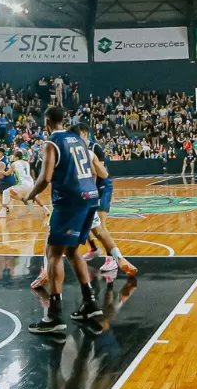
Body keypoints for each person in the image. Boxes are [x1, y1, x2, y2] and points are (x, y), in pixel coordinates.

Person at [25, 106, 102, 334]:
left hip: (70, 201)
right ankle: (90, 302)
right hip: (90, 197)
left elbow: (45, 177)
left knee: (53, 252)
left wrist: (30, 196)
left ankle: (54, 315)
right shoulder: (78, 139)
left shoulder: (51, 142)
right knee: (72, 251)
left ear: (46, 121)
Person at [76, 122, 137, 276]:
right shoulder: (79, 149)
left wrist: (92, 191)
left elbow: (100, 172)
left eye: (78, 135)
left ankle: (111, 259)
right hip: (89, 187)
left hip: (102, 186)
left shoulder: (94, 148)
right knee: (87, 223)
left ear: (84, 134)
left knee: (100, 225)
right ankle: (94, 248)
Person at [0, 146, 42, 217]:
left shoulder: (14, 164)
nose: (13, 158)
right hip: (31, 182)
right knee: (29, 195)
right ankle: (42, 209)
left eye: (14, 156)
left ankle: (3, 211)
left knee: (5, 192)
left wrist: (2, 171)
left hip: (22, 183)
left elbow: (8, 173)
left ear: (16, 157)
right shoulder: (26, 163)